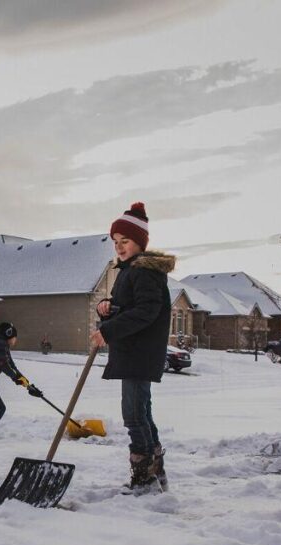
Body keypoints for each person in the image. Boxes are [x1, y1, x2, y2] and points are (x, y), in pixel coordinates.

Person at [89, 202, 175, 491]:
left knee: (134, 415)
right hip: (135, 352)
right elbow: (129, 306)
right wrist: (108, 307)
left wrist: (109, 331)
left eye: (125, 241)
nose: (119, 247)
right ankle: (155, 472)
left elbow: (146, 312)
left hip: (139, 352)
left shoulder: (145, 272)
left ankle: (145, 477)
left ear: (140, 242)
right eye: (115, 242)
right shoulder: (130, 271)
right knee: (142, 412)